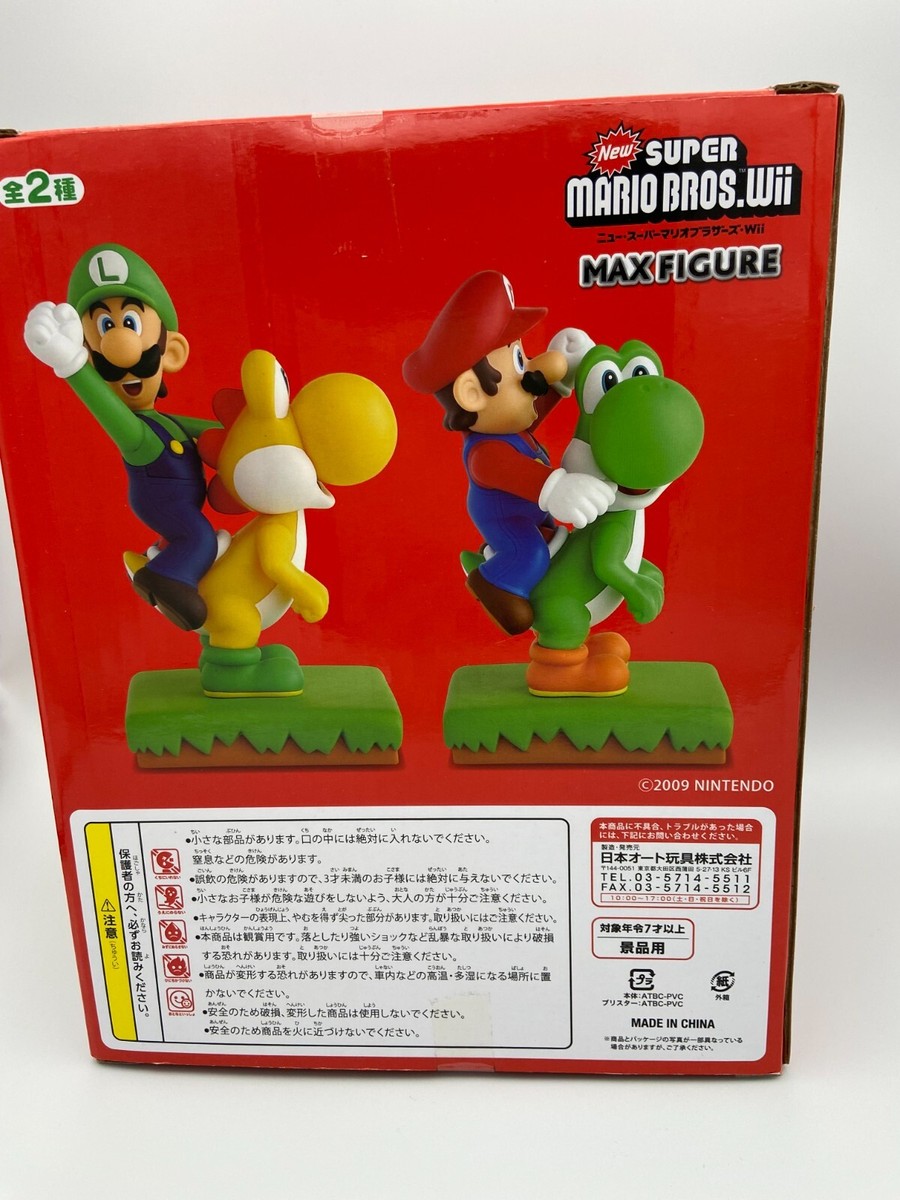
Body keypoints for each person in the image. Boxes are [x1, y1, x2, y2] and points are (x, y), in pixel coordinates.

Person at [403, 270, 614, 635]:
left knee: (552, 541)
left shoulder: (508, 429)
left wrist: (562, 382)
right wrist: (558, 488)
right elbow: (520, 474)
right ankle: (495, 583)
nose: (533, 369)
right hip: (505, 519)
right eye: (518, 363)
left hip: (533, 512)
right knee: (530, 553)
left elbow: (531, 412)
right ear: (472, 394)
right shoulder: (485, 454)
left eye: (523, 355)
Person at [24, 243, 219, 629]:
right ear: (91, 359)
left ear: (172, 351)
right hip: (163, 504)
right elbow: (105, 410)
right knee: (201, 539)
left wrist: (253, 431)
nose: (121, 348)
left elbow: (215, 433)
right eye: (104, 327)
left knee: (199, 537)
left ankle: (164, 559)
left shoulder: (165, 422)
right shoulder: (138, 437)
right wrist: (70, 365)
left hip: (174, 505)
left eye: (130, 323)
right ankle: (165, 578)